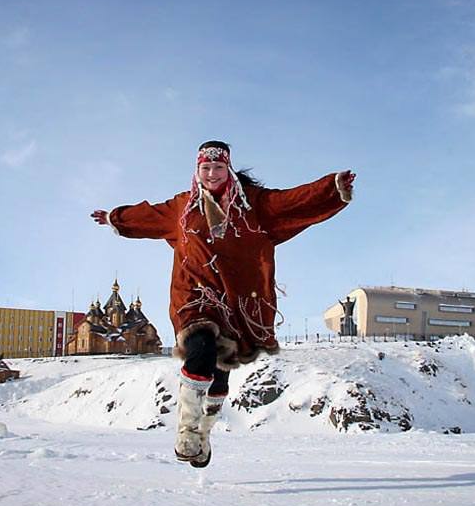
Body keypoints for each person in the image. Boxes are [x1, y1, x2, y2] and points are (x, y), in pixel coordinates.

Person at [91, 140, 354, 467]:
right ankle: (187, 431)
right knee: (200, 349)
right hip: (193, 297)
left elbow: (289, 202)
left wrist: (330, 188)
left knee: (219, 374)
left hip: (235, 303)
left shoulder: (253, 205)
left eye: (218, 168)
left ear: (227, 169)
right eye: (205, 168)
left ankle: (203, 434)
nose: (212, 174)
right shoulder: (182, 207)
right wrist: (116, 217)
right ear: (197, 170)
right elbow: (148, 215)